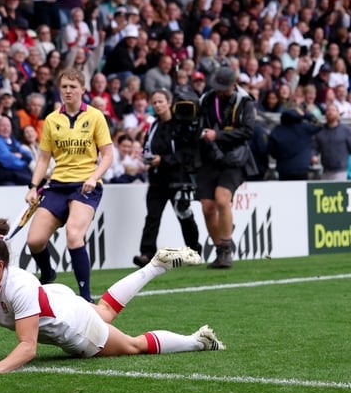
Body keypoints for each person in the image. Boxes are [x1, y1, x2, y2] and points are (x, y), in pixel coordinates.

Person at [0, 218, 223, 375]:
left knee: (133, 346)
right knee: (105, 310)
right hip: (56, 297)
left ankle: (198, 341)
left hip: (72, 324)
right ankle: (154, 266)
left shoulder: (18, 286)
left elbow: (27, 348)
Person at [24, 67, 113, 302]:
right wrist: (33, 186)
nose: (68, 91)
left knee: (74, 235)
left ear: (83, 89)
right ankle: (48, 273)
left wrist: (94, 177)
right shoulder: (52, 120)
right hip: (57, 185)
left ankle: (85, 296)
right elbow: (44, 158)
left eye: (73, 87)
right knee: (34, 240)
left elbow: (108, 155)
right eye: (64, 87)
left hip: (85, 185)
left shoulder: (95, 117)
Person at [196, 66, 257, 269]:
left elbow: (248, 131)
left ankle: (226, 249)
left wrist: (219, 135)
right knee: (207, 207)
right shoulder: (206, 99)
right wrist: (203, 134)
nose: (220, 91)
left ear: (234, 84)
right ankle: (220, 250)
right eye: (218, 87)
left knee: (222, 199)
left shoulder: (245, 102)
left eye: (224, 88)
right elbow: (199, 123)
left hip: (234, 158)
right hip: (210, 155)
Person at [133, 90, 202, 268]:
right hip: (157, 179)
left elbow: (186, 152)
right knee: (152, 217)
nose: (157, 105)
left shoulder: (181, 125)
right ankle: (147, 254)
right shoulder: (154, 126)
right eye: (154, 102)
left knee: (184, 215)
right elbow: (147, 147)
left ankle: (194, 250)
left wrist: (163, 160)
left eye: (160, 101)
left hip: (178, 178)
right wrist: (147, 157)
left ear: (169, 102)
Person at [267, 108, 323, 181]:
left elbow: (271, 151)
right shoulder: (305, 128)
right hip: (302, 168)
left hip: (284, 169)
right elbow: (319, 124)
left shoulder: (277, 130)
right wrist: (306, 114)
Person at [0, 116, 33, 186]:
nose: (6, 128)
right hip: (2, 178)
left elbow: (29, 155)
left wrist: (20, 156)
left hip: (15, 174)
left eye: (8, 126)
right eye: (2, 126)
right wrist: (22, 159)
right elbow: (10, 161)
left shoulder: (12, 140)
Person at [313, 103, 351, 181]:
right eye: (328, 110)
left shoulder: (346, 131)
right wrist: (313, 155)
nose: (330, 112)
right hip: (325, 171)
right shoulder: (320, 131)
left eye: (333, 110)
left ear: (338, 114)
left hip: (341, 171)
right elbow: (315, 147)